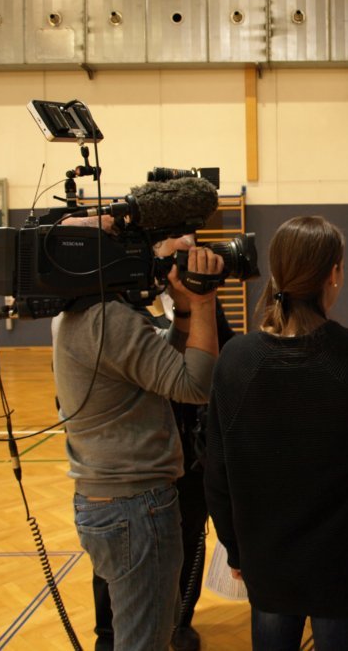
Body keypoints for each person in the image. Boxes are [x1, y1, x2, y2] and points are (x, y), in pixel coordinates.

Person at [203, 215, 348, 651]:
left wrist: (234, 548)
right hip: (347, 566)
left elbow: (217, 470)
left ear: (276, 275)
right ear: (334, 273)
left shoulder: (235, 359)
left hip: (268, 562)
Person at [52, 226, 223, 651]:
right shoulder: (110, 320)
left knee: (143, 634)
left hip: (111, 499)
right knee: (143, 641)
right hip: (135, 506)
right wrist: (204, 301)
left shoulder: (81, 313)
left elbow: (157, 368)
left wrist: (185, 312)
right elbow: (196, 385)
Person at [91, 267, 235, 651]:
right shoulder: (122, 309)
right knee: (120, 556)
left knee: (189, 538)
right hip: (135, 460)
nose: (185, 255)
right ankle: (108, 634)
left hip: (189, 450)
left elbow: (222, 357)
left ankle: (180, 621)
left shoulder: (203, 300)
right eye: (174, 248)